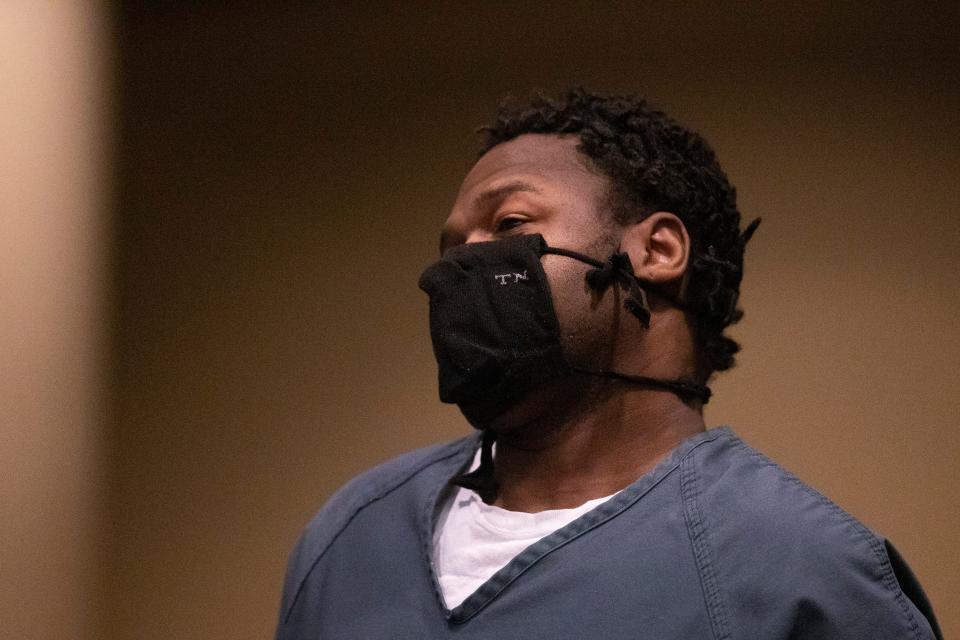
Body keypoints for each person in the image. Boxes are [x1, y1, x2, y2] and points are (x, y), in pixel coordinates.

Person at [275, 89, 941, 639]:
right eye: (449, 248)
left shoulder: (803, 576)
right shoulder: (350, 534)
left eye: (507, 223)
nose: (456, 267)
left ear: (657, 250)